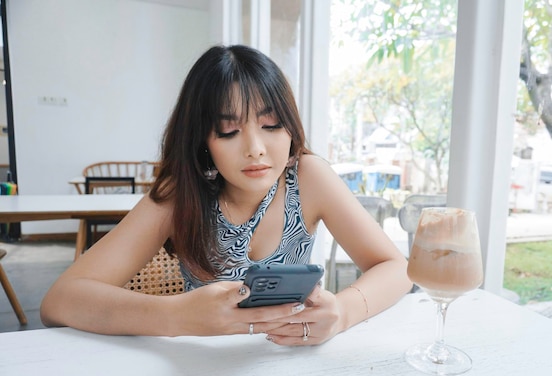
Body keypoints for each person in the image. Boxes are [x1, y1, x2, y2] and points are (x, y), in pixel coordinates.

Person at [40, 44, 412, 345]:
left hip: (292, 367)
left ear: (290, 127)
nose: (255, 148)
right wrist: (175, 315)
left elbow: (397, 268)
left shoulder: (308, 176)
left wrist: (344, 312)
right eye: (229, 130)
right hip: (202, 373)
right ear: (203, 140)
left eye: (271, 125)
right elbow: (61, 301)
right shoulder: (180, 194)